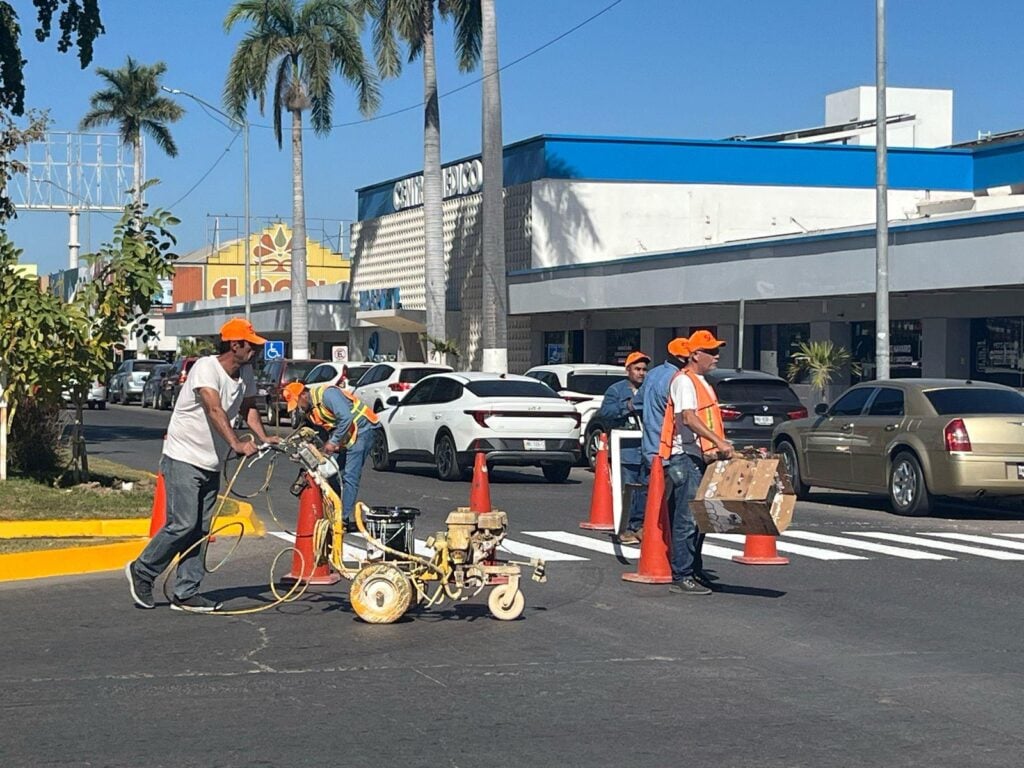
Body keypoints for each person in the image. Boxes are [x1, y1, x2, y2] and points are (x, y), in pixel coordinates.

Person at [126, 318, 277, 613]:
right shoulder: (206, 367)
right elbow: (213, 408)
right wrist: (236, 444)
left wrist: (263, 437)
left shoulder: (246, 373)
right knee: (183, 523)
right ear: (235, 345)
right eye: (251, 345)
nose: (256, 351)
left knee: (201, 530)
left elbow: (248, 408)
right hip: (183, 456)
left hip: (210, 462)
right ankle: (142, 571)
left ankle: (186, 591)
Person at [659, 329, 734, 596]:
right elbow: (688, 418)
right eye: (711, 352)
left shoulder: (702, 382)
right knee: (687, 518)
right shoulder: (685, 382)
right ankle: (682, 574)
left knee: (699, 519)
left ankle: (694, 570)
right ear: (694, 355)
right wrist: (719, 442)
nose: (716, 356)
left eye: (717, 351)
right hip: (685, 458)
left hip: (699, 457)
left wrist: (715, 449)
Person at [281, 380, 380, 532]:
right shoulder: (312, 409)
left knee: (349, 476)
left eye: (298, 403)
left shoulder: (327, 394)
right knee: (331, 472)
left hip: (364, 429)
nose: (299, 409)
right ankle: (335, 510)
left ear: (303, 395)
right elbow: (323, 429)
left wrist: (333, 442)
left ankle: (342, 519)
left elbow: (346, 418)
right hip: (348, 434)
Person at [626, 337, 690, 542]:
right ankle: (656, 532)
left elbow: (635, 403)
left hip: (650, 444)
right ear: (681, 357)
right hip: (669, 447)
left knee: (647, 488)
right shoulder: (679, 380)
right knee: (670, 496)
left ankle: (639, 527)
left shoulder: (653, 374)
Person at [596, 351, 650, 544]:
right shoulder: (616, 390)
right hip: (626, 450)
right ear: (628, 370)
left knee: (645, 489)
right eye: (637, 369)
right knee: (627, 491)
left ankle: (640, 526)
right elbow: (605, 412)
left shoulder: (649, 389)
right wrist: (627, 407)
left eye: (644, 369)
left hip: (646, 448)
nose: (641, 373)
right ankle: (624, 528)